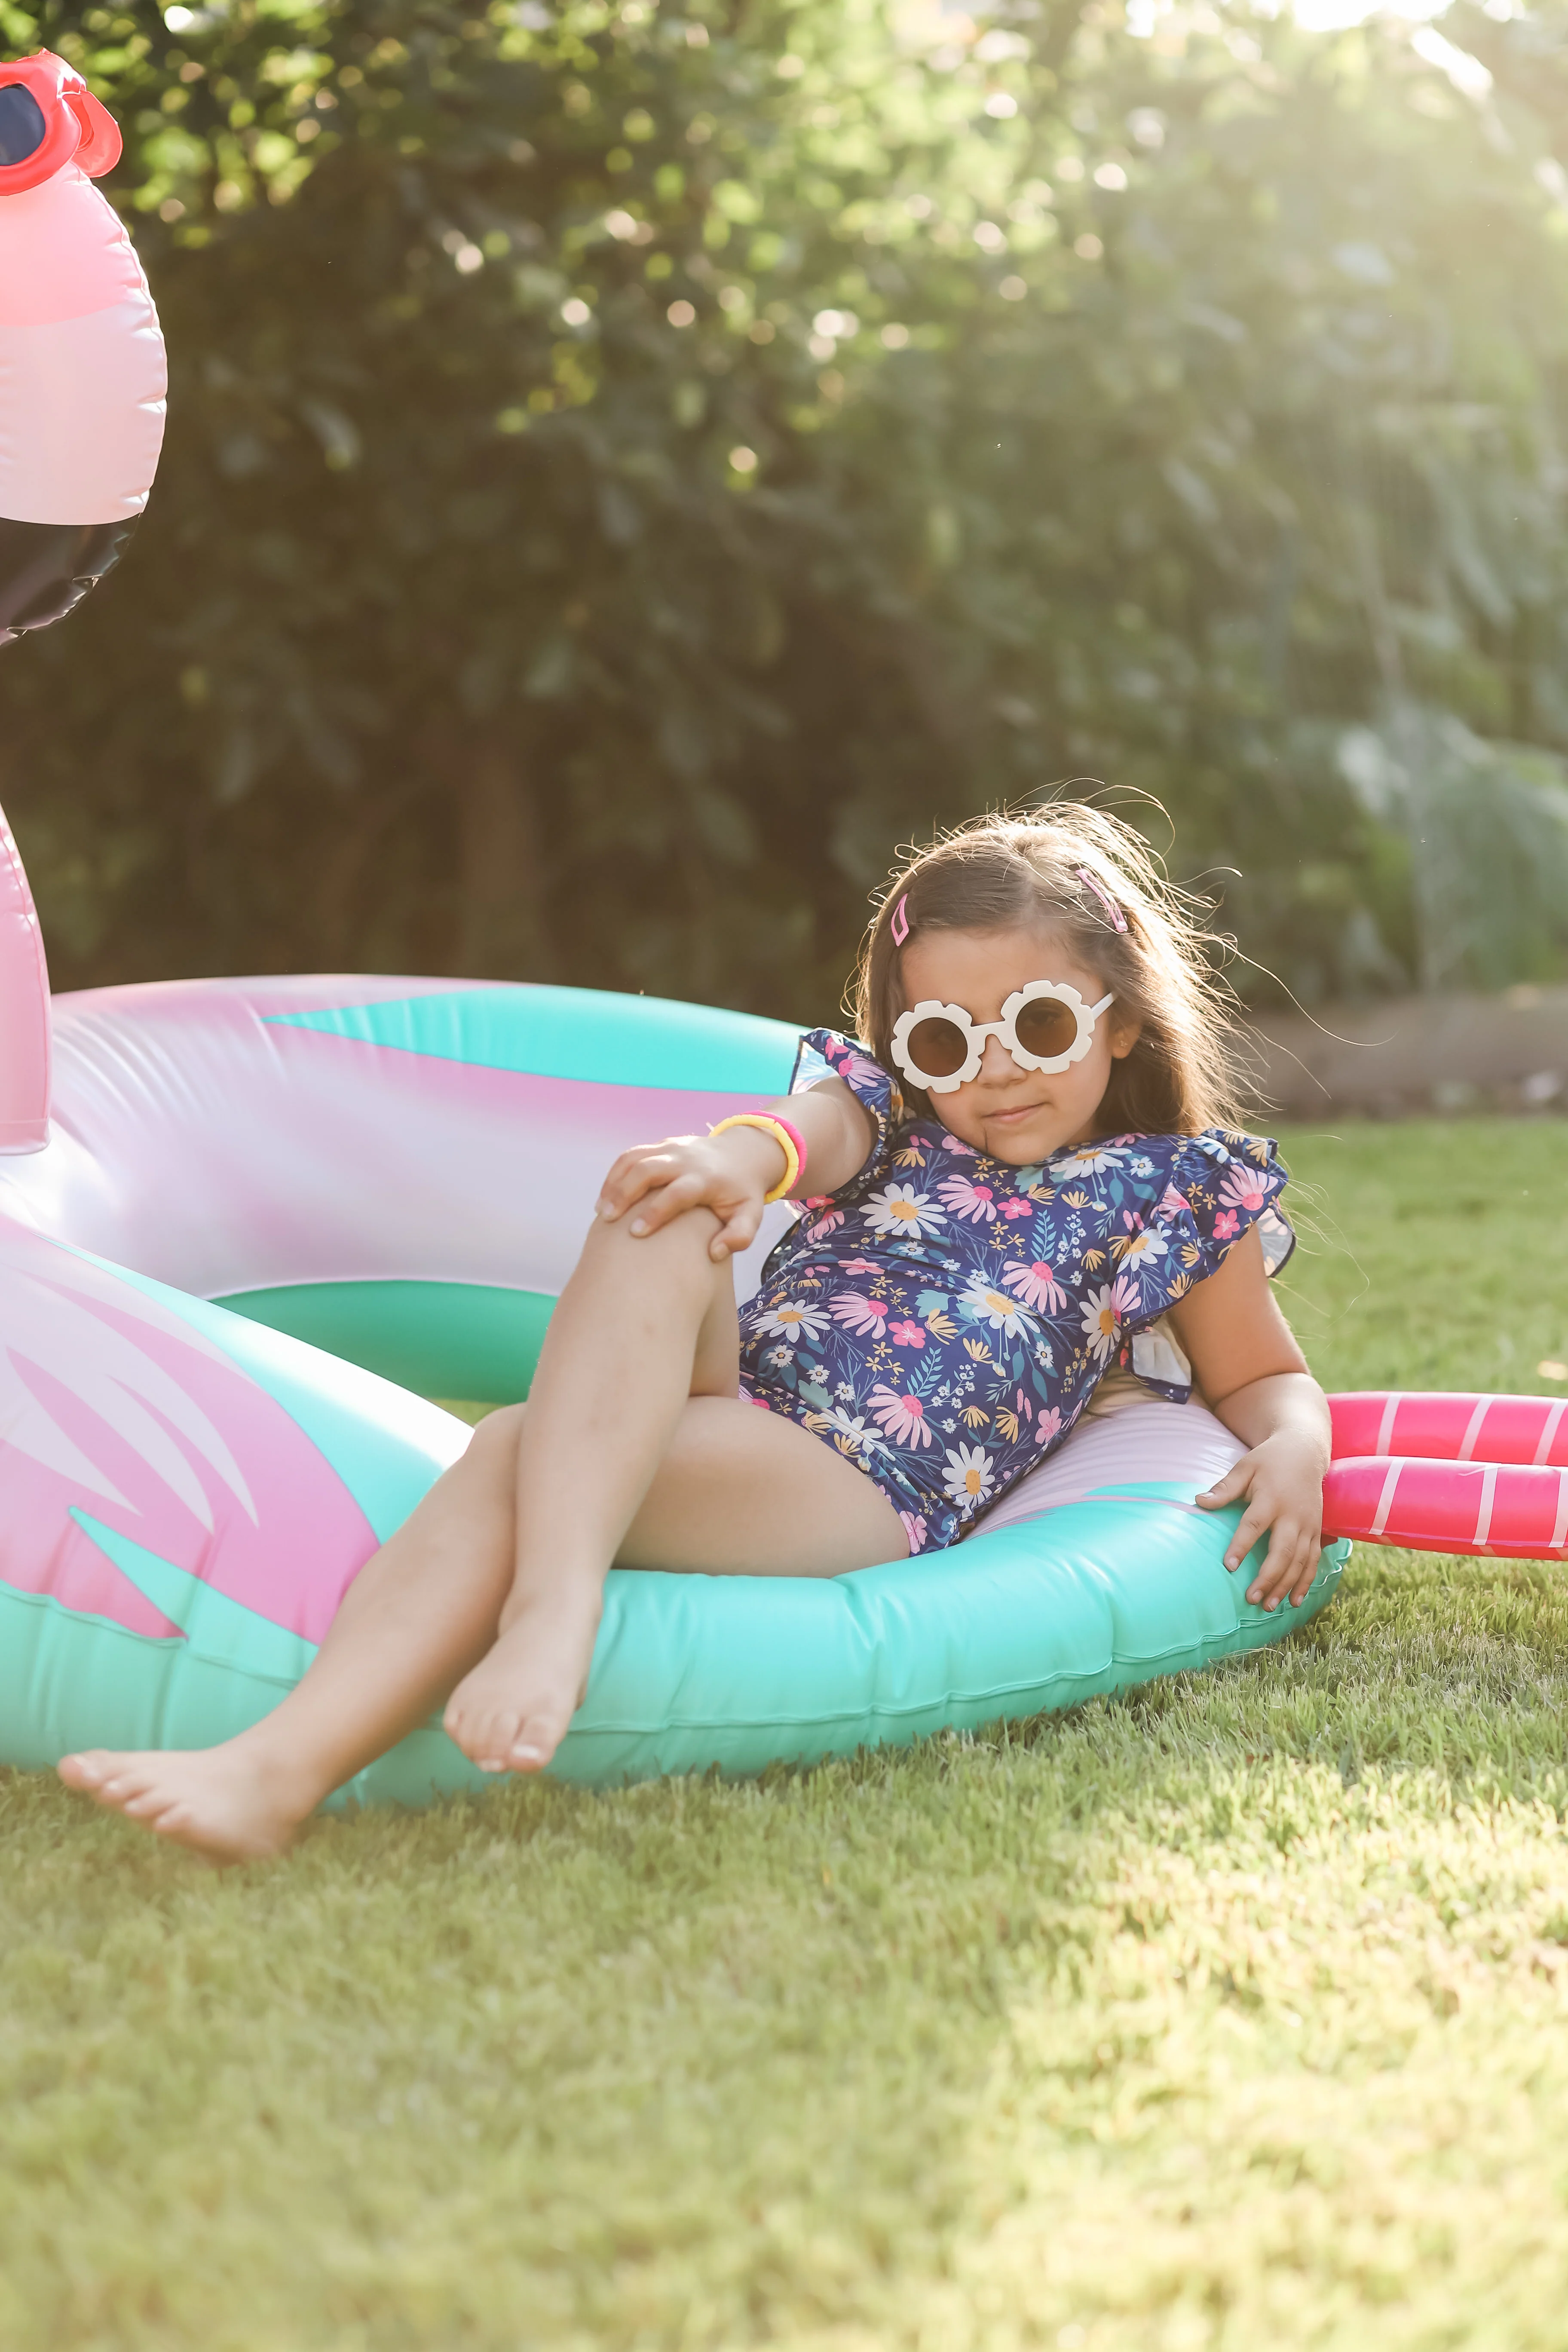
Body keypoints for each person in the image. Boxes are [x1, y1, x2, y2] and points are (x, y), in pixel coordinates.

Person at [58, 803, 1330, 1859]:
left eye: (1040, 1027)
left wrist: (1294, 1445)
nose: (995, 1070)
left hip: (858, 1485)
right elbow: (800, 1138)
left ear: (1115, 1021)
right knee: (660, 1201)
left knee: (512, 1448)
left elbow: (1265, 1374)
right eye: (948, 1039)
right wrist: (732, 1159)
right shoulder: (890, 1115)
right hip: (743, 1409)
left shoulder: (1170, 1193)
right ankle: (506, 1624)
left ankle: (305, 1758)